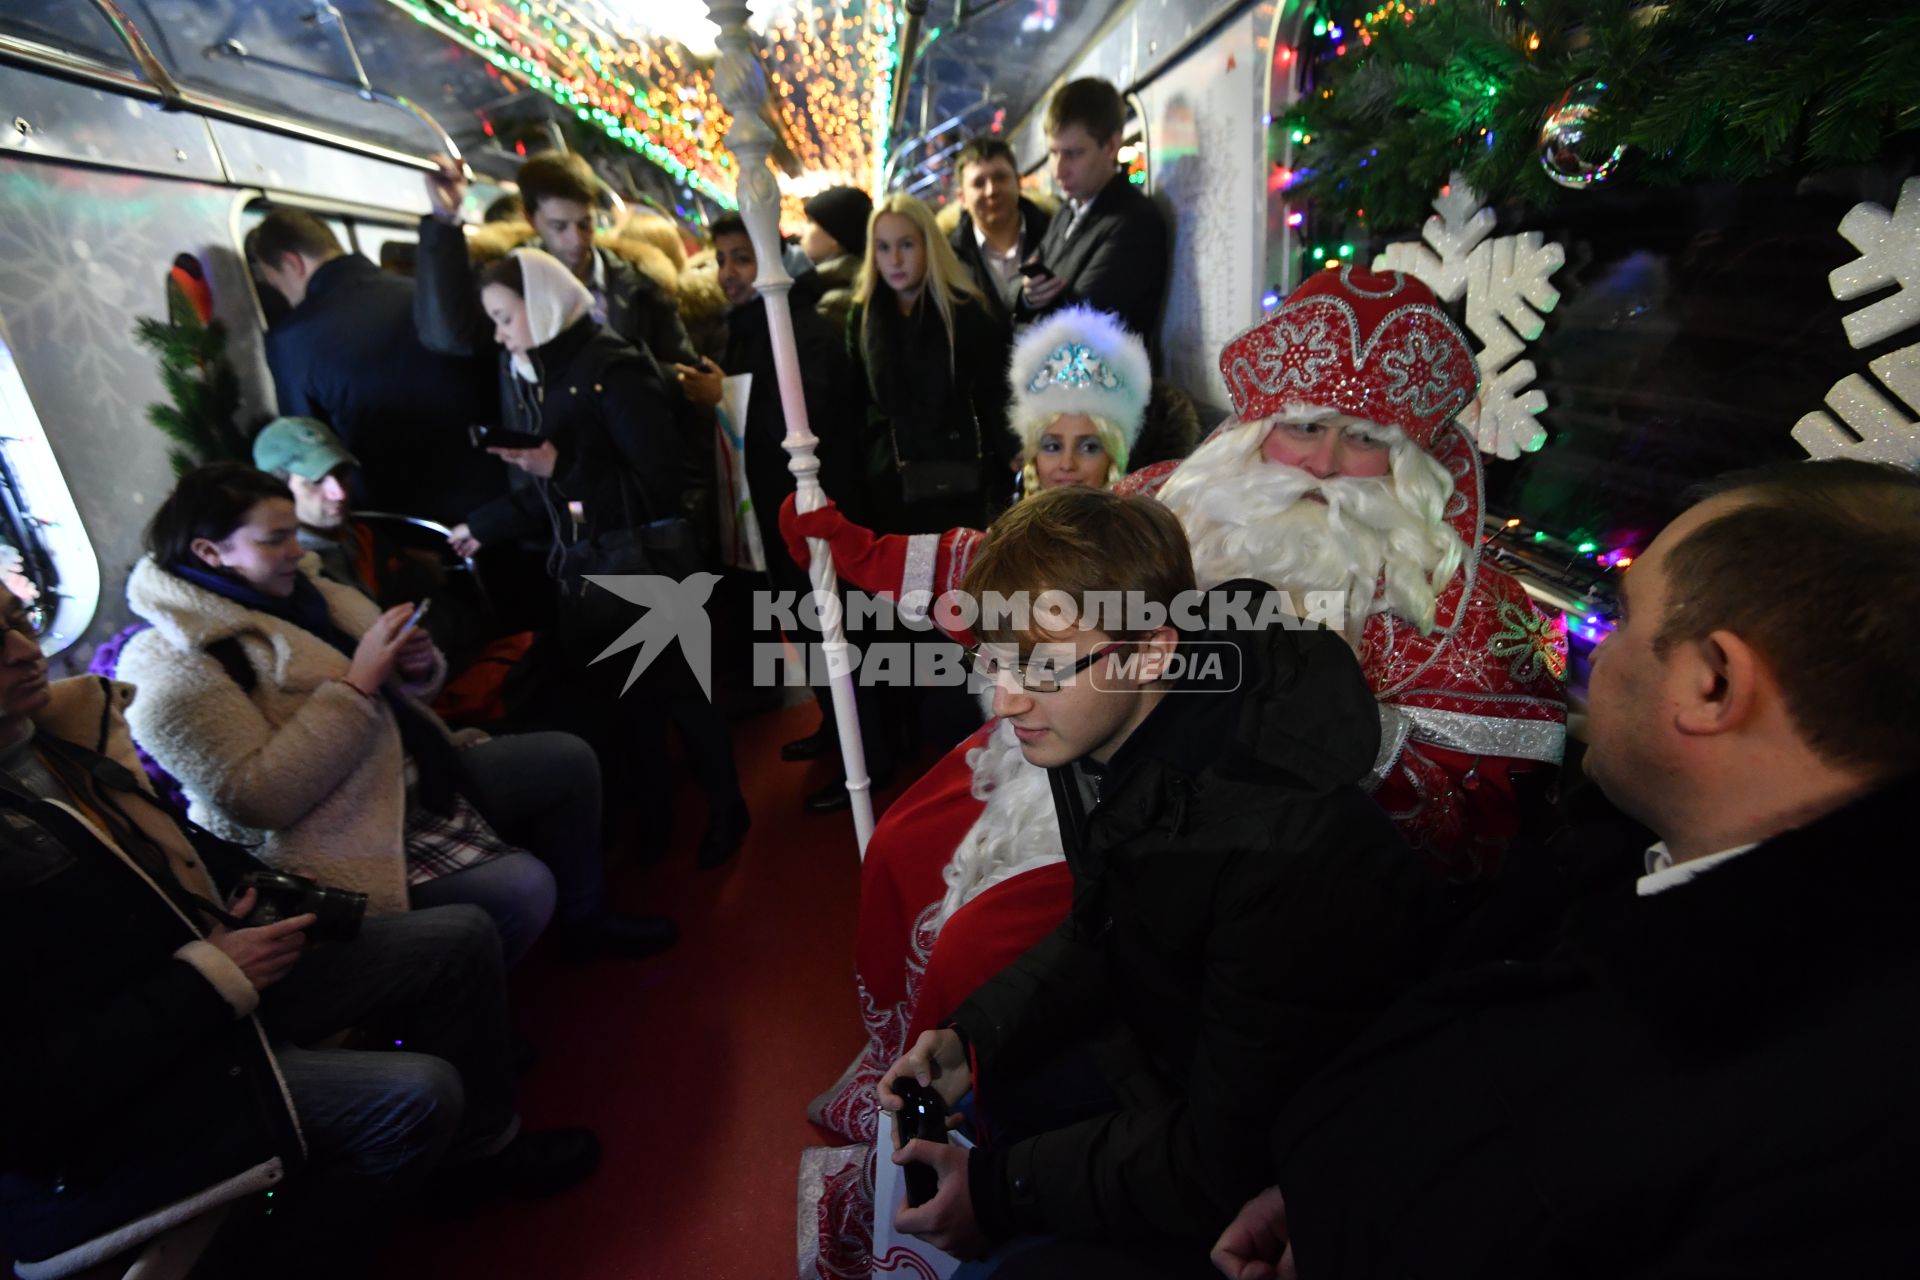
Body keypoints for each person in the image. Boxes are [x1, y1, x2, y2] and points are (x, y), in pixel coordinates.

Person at [1211, 460, 1920, 1280]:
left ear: (1712, 682)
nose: (1597, 648)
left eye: (1621, 616)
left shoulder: (1824, 1140)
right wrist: (1340, 1187)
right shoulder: (1622, 868)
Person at [794, 268, 1568, 886]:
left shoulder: (1465, 612)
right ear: (1262, 425)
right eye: (1302, 427)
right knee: (903, 844)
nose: (1326, 466)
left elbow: (1476, 827)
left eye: (1364, 439)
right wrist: (858, 551)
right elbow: (1030, 588)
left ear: (1408, 460)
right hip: (1068, 792)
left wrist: (1344, 741)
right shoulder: (1171, 497)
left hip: (1253, 881)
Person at [875, 488, 1437, 1271]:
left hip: (1284, 1167)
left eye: (1039, 665)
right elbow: (1109, 921)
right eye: (995, 660)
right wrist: (976, 1036)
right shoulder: (1118, 728)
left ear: (1150, 650)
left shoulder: (1285, 850)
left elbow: (1227, 1161)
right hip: (1177, 1065)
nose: (1005, 700)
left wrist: (999, 1194)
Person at [0, 587, 600, 1279]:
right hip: (113, 1116)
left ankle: (484, 1150)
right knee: (417, 1093)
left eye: (21, 624)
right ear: (211, 553)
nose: (24, 652)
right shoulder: (169, 672)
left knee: (459, 938)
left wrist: (241, 891)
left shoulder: (62, 746)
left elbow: (167, 858)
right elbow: (29, 1099)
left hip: (195, 995)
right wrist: (210, 978)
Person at [787, 305, 1157, 1279]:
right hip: (1016, 745)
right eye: (1052, 443)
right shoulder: (1016, 530)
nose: (1070, 459)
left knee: (972, 933)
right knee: (900, 844)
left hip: (1093, 777)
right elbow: (941, 568)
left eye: (1089, 443)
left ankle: (964, 1122)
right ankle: (902, 1067)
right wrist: (838, 537)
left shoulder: (1154, 532)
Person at [115, 464, 672, 961]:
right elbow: (257, 797)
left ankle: (584, 918)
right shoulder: (170, 659)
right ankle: (462, 997)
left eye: (292, 534)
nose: (296, 549)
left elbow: (402, 706)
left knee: (566, 758)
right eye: (275, 539)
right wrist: (358, 685)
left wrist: (415, 667)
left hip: (405, 772)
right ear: (211, 553)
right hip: (334, 828)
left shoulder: (309, 595)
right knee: (522, 889)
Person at [675, 214, 875, 812]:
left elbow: (798, 426)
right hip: (775, 513)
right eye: (723, 260)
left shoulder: (799, 328)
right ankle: (835, 731)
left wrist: (724, 399)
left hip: (810, 513)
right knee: (804, 626)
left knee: (834, 631)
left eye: (743, 258)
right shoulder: (744, 327)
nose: (730, 273)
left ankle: (865, 754)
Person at [246, 208, 502, 524]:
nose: (284, 298)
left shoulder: (291, 340)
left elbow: (308, 441)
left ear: (291, 264)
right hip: (498, 502)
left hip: (400, 520)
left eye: (277, 284)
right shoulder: (419, 295)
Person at [851, 194, 1016, 538]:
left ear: (929, 245)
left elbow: (995, 394)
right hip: (891, 488)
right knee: (907, 587)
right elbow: (858, 401)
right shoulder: (864, 316)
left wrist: (1010, 455)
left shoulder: (966, 311)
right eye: (883, 247)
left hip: (963, 481)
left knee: (961, 583)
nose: (894, 259)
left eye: (906, 245)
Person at [1017, 78, 1169, 349]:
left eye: (1073, 154)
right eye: (1053, 153)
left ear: (1111, 146)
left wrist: (1027, 306)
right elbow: (1014, 287)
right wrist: (1026, 296)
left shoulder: (1134, 222)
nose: (1058, 170)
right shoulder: (1066, 212)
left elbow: (1077, 325)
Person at [948, 136, 1053, 323]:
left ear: (1019, 183)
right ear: (962, 198)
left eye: (1000, 178)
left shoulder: (1055, 234)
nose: (991, 191)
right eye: (978, 183)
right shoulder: (948, 259)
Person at [791, 185, 872, 340]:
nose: (800, 232)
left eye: (810, 222)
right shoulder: (827, 285)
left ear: (835, 235)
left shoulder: (832, 305)